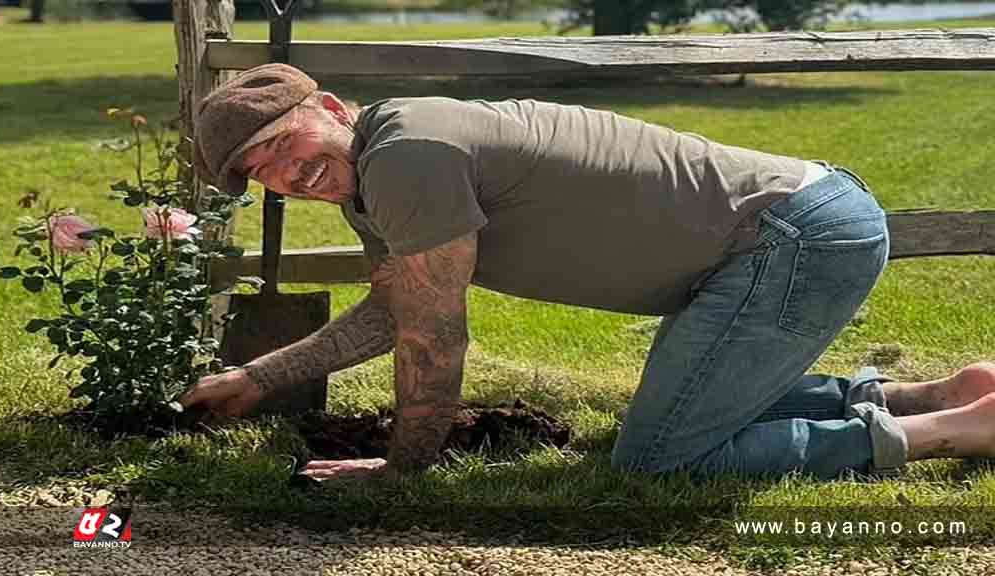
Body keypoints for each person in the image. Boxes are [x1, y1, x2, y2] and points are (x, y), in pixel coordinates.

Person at [178, 63, 995, 483]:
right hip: (779, 233)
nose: (285, 170)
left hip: (790, 238)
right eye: (260, 170)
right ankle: (934, 394)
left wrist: (403, 465)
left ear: (330, 107)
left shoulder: (409, 157)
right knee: (672, 418)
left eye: (285, 140)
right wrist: (257, 376)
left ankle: (948, 434)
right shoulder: (379, 176)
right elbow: (393, 309)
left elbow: (434, 336)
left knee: (660, 457)